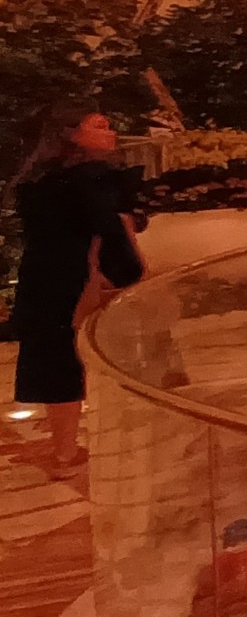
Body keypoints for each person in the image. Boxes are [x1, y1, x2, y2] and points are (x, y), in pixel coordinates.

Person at [7, 106, 145, 475]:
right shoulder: (90, 178)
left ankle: (64, 450)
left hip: (42, 276)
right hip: (82, 275)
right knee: (106, 352)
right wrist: (130, 273)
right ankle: (124, 438)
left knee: (54, 358)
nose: (112, 132)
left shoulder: (37, 181)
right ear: (72, 135)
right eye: (100, 126)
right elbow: (108, 229)